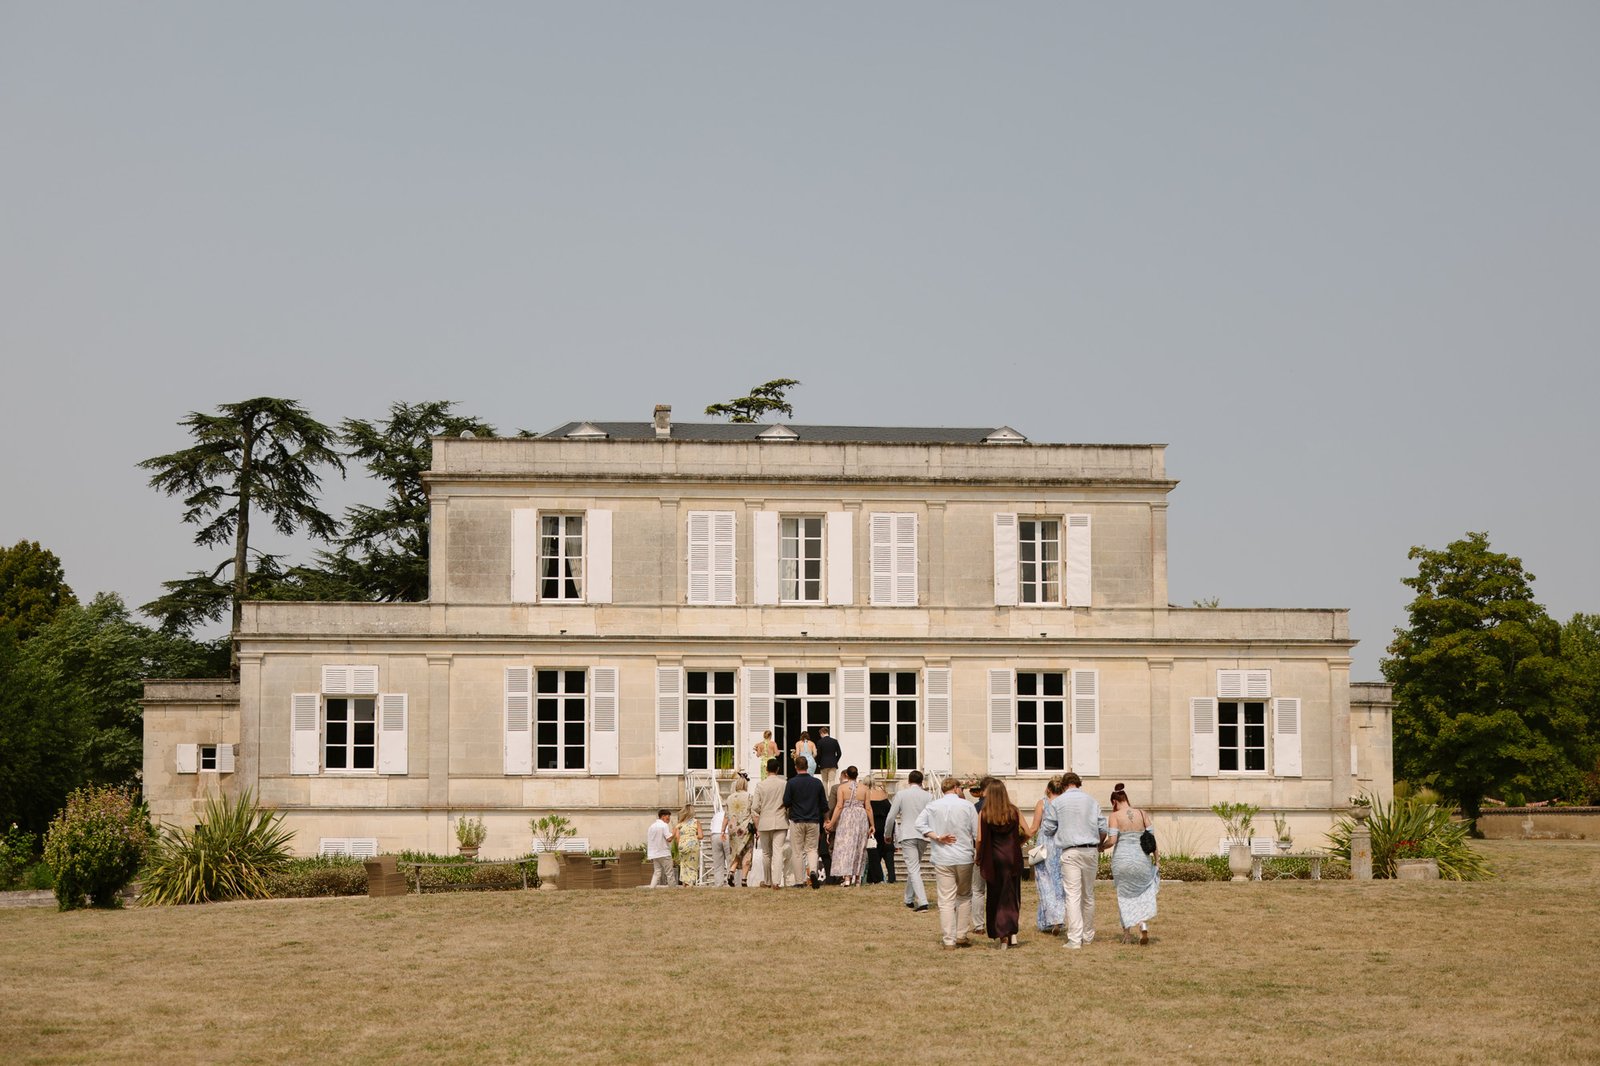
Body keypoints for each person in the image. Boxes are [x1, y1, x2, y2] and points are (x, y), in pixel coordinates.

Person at [1039, 772, 1108, 949]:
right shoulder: (1092, 801)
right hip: (1090, 849)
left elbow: (1047, 828)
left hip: (1070, 851)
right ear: (1079, 784)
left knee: (1073, 895)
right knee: (1088, 895)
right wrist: (1098, 843)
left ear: (1063, 785)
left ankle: (1075, 939)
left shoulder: (1058, 802)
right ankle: (1088, 935)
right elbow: (1103, 828)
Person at [914, 777, 979, 949]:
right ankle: (961, 934)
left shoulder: (934, 805)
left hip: (943, 857)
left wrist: (935, 835)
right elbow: (976, 833)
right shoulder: (968, 806)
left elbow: (919, 823)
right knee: (964, 895)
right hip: (964, 856)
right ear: (957, 788)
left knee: (946, 899)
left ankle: (949, 939)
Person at [1106, 783, 1159, 945]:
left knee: (1123, 896)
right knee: (1142, 893)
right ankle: (1143, 925)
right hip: (1142, 859)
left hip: (1122, 860)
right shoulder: (1142, 813)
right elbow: (1152, 840)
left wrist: (1101, 846)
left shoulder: (1115, 816)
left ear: (1115, 801)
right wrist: (1157, 861)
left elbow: (1113, 840)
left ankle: (1127, 935)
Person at [976, 779, 1025, 948]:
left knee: (995, 895)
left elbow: (980, 839)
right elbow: (1028, 831)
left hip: (993, 858)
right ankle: (1010, 932)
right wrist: (1018, 843)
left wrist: (978, 856)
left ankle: (1001, 933)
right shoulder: (1014, 811)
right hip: (1012, 857)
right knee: (1011, 895)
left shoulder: (984, 813)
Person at [885, 770, 933, 911]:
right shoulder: (928, 796)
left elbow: (891, 816)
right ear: (921, 781)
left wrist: (888, 834)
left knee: (913, 868)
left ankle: (923, 901)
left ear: (909, 781)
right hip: (923, 834)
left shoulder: (901, 794)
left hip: (907, 834)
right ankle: (908, 898)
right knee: (914, 867)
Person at [1025, 777, 1067, 935]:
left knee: (1044, 882)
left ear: (1048, 789)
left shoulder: (1042, 803)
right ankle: (1058, 919)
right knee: (1059, 883)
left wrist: (1021, 838)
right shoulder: (1064, 804)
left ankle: (1052, 919)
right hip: (1061, 845)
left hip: (1043, 847)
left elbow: (1034, 828)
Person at [781, 757, 827, 888]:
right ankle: (813, 871)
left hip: (797, 820)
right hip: (813, 820)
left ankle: (799, 881)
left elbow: (786, 802)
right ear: (807, 767)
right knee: (812, 849)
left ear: (796, 767)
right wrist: (826, 818)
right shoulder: (817, 783)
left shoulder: (791, 783)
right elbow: (823, 804)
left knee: (797, 851)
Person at [824, 765, 873, 887]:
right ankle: (857, 877)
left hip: (846, 817)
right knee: (859, 846)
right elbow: (868, 807)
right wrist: (872, 824)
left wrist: (831, 822)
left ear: (846, 775)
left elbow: (839, 806)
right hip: (860, 817)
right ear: (857, 775)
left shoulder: (842, 788)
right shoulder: (865, 788)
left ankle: (847, 877)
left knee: (846, 845)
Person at [751, 757, 790, 888]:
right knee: (778, 851)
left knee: (766, 853)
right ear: (778, 769)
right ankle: (776, 881)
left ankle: (767, 880)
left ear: (766, 769)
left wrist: (764, 810)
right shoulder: (784, 783)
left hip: (765, 821)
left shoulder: (761, 785)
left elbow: (755, 806)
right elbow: (788, 801)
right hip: (780, 819)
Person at [725, 771, 755, 887]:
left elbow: (727, 814)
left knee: (736, 851)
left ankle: (732, 871)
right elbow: (753, 812)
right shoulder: (749, 797)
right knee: (747, 852)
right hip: (745, 827)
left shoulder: (729, 798)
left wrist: (724, 830)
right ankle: (743, 879)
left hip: (732, 828)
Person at [863, 776, 894, 885]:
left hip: (872, 826)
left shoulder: (865, 795)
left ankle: (877, 877)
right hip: (884, 825)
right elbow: (890, 811)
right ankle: (872, 877)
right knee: (880, 849)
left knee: (872, 852)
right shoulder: (883, 794)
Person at [646, 808, 675, 887]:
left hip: (654, 853)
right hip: (664, 852)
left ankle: (652, 887)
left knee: (657, 872)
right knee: (669, 872)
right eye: (667, 817)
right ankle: (673, 888)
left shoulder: (651, 826)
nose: (668, 819)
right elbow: (669, 839)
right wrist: (674, 833)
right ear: (662, 817)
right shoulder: (664, 825)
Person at [676, 803, 702, 887]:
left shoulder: (680, 824)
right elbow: (701, 836)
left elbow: (677, 837)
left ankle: (684, 884)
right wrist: (692, 836)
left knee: (684, 865)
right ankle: (690, 884)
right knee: (692, 865)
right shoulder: (696, 822)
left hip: (682, 845)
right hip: (692, 844)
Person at [814, 726, 843, 791]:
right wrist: (835, 760)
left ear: (822, 733)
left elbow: (819, 754)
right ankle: (831, 797)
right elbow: (839, 753)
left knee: (824, 781)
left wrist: (818, 763)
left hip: (823, 764)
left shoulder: (820, 742)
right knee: (832, 781)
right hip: (833, 764)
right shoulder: (834, 741)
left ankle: (826, 798)